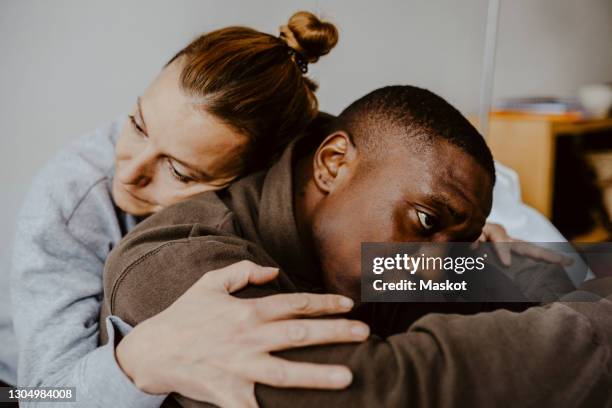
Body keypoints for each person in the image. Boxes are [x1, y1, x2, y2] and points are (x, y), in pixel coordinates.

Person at [102, 85, 612, 407]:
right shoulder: (177, 259)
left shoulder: (387, 250)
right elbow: (376, 388)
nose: (434, 268)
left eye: (457, 240)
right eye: (426, 220)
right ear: (332, 163)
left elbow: (540, 285)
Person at [8, 11, 375, 408]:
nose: (129, 171)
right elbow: (40, 396)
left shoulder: (314, 167)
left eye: (179, 171)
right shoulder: (69, 205)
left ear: (252, 174)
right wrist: (145, 360)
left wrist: (445, 278)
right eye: (137, 123)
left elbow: (426, 269)